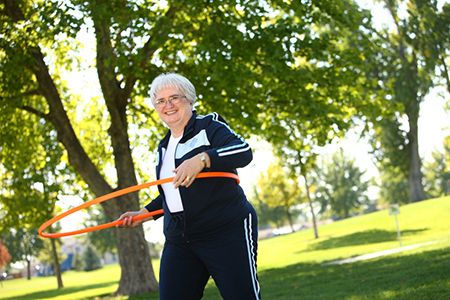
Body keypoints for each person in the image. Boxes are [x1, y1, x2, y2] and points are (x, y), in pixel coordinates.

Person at [117, 72, 261, 300]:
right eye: (161, 101)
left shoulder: (209, 126)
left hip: (225, 231)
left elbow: (243, 151)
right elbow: (172, 194)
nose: (168, 105)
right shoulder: (163, 147)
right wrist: (143, 214)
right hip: (180, 240)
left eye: (175, 97)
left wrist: (203, 159)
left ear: (190, 100)